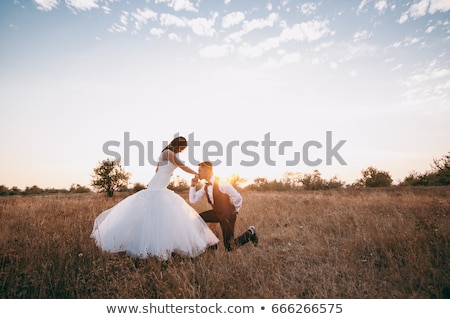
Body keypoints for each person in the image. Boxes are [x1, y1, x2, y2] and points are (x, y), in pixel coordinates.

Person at [90, 137, 219, 260]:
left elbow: (158, 169)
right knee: (153, 217)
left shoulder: (166, 153)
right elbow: (182, 166)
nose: (181, 151)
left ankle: (160, 246)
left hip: (159, 185)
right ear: (177, 145)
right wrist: (197, 173)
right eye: (181, 148)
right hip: (157, 187)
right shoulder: (168, 153)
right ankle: (151, 248)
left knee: (160, 218)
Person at [189, 161, 258, 251]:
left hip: (228, 215)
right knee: (198, 220)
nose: (198, 173)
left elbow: (237, 197)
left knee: (229, 247)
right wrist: (193, 185)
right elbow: (193, 199)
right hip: (217, 213)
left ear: (207, 170)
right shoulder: (206, 186)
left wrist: (235, 210)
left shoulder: (221, 182)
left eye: (200, 170)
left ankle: (250, 233)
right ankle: (211, 244)